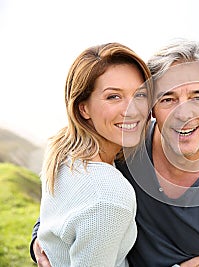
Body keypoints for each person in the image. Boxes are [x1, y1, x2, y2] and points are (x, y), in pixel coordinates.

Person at [31, 39, 199, 266]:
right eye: (168, 99)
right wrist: (39, 241)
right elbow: (73, 204)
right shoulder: (124, 148)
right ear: (153, 107)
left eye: (198, 97)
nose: (183, 114)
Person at [34, 42, 151, 266]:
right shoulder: (108, 197)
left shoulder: (64, 147)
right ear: (83, 108)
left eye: (140, 95)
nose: (132, 109)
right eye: (113, 97)